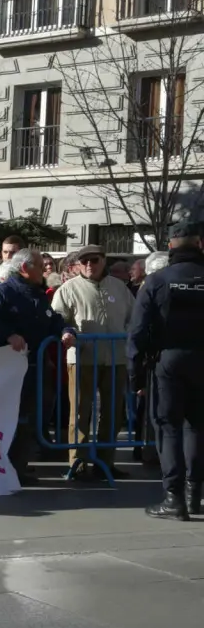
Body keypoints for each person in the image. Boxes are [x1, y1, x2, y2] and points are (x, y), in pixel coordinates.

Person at [0, 249, 77, 485]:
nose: (44, 270)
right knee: (8, 417)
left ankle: (19, 467)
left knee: (29, 418)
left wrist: (66, 331)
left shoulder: (38, 294)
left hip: (35, 368)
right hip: (7, 369)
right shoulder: (2, 293)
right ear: (25, 268)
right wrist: (8, 334)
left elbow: (52, 319)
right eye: (39, 265)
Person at [129, 222, 204, 520]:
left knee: (168, 426)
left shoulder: (158, 280)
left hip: (168, 360)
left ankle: (174, 498)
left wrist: (135, 374)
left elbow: (137, 330)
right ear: (199, 244)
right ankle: (194, 494)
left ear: (170, 245)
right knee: (197, 426)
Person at [50, 245, 135, 478]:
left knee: (112, 412)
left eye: (94, 260)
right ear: (77, 264)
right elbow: (57, 320)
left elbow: (133, 317)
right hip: (81, 359)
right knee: (79, 412)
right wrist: (66, 333)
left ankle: (106, 462)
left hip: (115, 359)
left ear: (103, 260)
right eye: (84, 261)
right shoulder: (68, 289)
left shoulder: (120, 288)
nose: (89, 265)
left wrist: (128, 338)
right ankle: (77, 463)